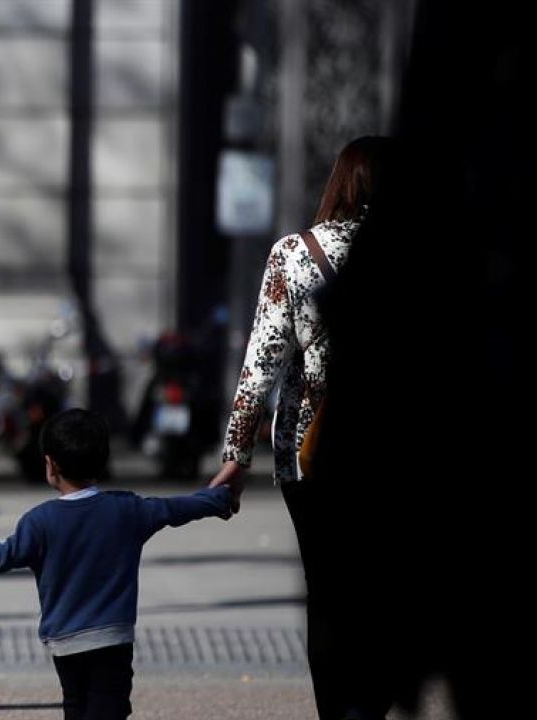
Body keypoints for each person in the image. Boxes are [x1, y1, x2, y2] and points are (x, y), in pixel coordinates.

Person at [207, 137, 396, 719]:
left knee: (329, 592)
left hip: (313, 451)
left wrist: (236, 453)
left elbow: (262, 361)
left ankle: (341, 712)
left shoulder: (296, 254)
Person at [0, 408, 234, 720]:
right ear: (103, 461)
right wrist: (221, 498)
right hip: (113, 639)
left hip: (65, 642)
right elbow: (178, 509)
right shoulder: (127, 509)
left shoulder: (39, 522)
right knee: (109, 708)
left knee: (75, 706)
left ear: (51, 465)